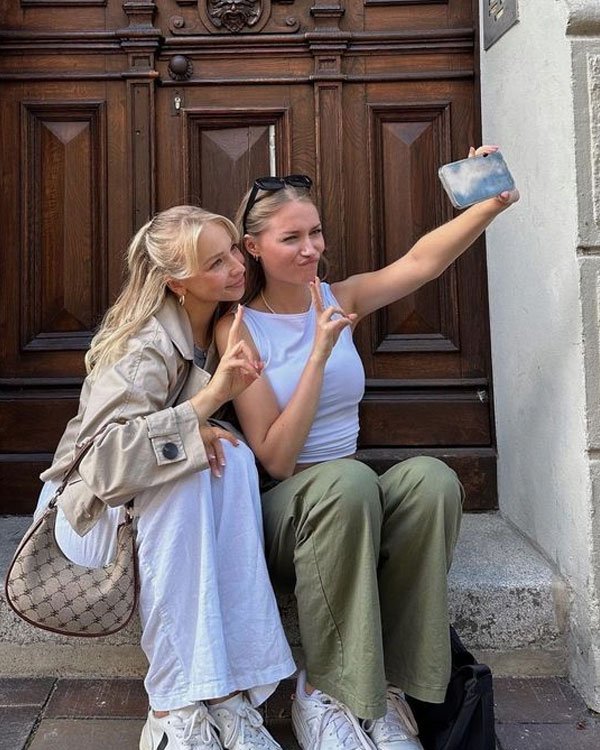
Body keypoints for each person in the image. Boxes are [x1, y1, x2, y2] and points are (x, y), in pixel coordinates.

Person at [215, 149, 519, 750]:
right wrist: (320, 355)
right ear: (253, 248)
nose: (311, 249)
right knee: (348, 483)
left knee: (432, 480)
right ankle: (327, 690)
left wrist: (491, 203)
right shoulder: (238, 326)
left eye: (317, 232)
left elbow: (419, 264)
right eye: (291, 238)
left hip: (352, 502)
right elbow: (274, 457)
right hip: (285, 513)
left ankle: (392, 689)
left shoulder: (337, 296)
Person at [34, 205, 296, 750]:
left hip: (152, 517)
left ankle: (230, 697)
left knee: (232, 462)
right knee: (186, 472)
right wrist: (208, 404)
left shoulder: (219, 324)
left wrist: (197, 433)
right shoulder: (143, 346)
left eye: (231, 252)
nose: (235, 269)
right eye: (215, 264)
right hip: (85, 523)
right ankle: (174, 709)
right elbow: (102, 464)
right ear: (178, 283)